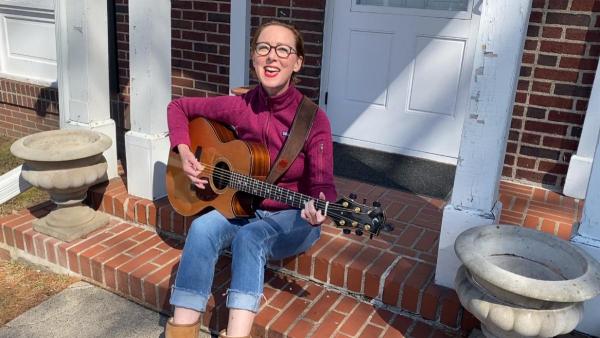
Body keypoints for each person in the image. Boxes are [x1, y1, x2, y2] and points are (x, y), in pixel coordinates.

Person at [165, 20, 337, 338]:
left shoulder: (313, 119)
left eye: (283, 50)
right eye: (263, 48)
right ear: (253, 57)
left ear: (297, 62)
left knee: (250, 238)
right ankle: (182, 329)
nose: (272, 57)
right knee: (202, 228)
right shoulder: (240, 106)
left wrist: (321, 207)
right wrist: (183, 149)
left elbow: (324, 184)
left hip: (293, 217)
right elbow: (178, 107)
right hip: (243, 205)